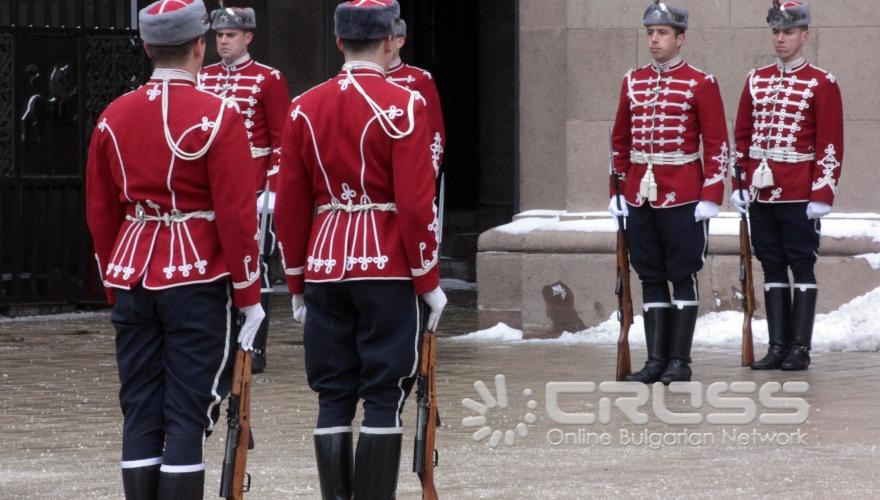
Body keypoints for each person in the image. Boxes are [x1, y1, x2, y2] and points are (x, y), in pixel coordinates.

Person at [85, 1, 264, 497]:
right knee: (187, 414)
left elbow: (101, 213)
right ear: (201, 46)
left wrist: (112, 282)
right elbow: (235, 214)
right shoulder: (219, 114)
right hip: (197, 274)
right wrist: (249, 293)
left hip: (131, 273)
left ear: (146, 48)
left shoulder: (112, 117)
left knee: (141, 409)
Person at [274, 1, 447, 498]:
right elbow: (416, 205)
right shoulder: (404, 103)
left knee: (332, 396)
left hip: (325, 263)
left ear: (339, 43)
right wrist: (428, 279)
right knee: (382, 394)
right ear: (389, 40)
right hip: (389, 264)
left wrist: (295, 279)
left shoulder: (304, 106)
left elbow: (289, 206)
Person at [609, 1, 729, 384]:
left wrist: (711, 193)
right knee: (649, 273)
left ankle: (680, 359)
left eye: (662, 33)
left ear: (680, 39)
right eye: (650, 33)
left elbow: (716, 142)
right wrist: (618, 188)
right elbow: (620, 139)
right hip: (639, 194)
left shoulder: (700, 82)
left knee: (682, 272)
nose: (654, 40)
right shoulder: (633, 80)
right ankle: (656, 360)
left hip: (683, 193)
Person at [732, 1, 843, 371]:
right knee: (771, 264)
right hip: (762, 191)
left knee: (802, 265)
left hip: (799, 191)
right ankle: (778, 346)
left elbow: (830, 142)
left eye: (788, 32)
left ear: (804, 35)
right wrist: (740, 182)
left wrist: (822, 192)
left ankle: (800, 348)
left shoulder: (821, 82)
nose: (780, 39)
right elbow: (743, 137)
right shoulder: (756, 79)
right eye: (776, 32)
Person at [198, 6, 291, 373]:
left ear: (248, 37)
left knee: (258, 267)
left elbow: (283, 139)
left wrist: (272, 190)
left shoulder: (268, 79)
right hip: (210, 189)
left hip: (254, 187)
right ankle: (220, 341)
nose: (223, 41)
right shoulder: (202, 77)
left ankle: (253, 348)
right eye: (219, 35)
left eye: (231, 35)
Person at [387, 17, 446, 177]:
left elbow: (434, 130)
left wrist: (427, 172)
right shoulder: (361, 77)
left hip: (409, 166)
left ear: (399, 41)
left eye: (386, 39)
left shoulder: (420, 78)